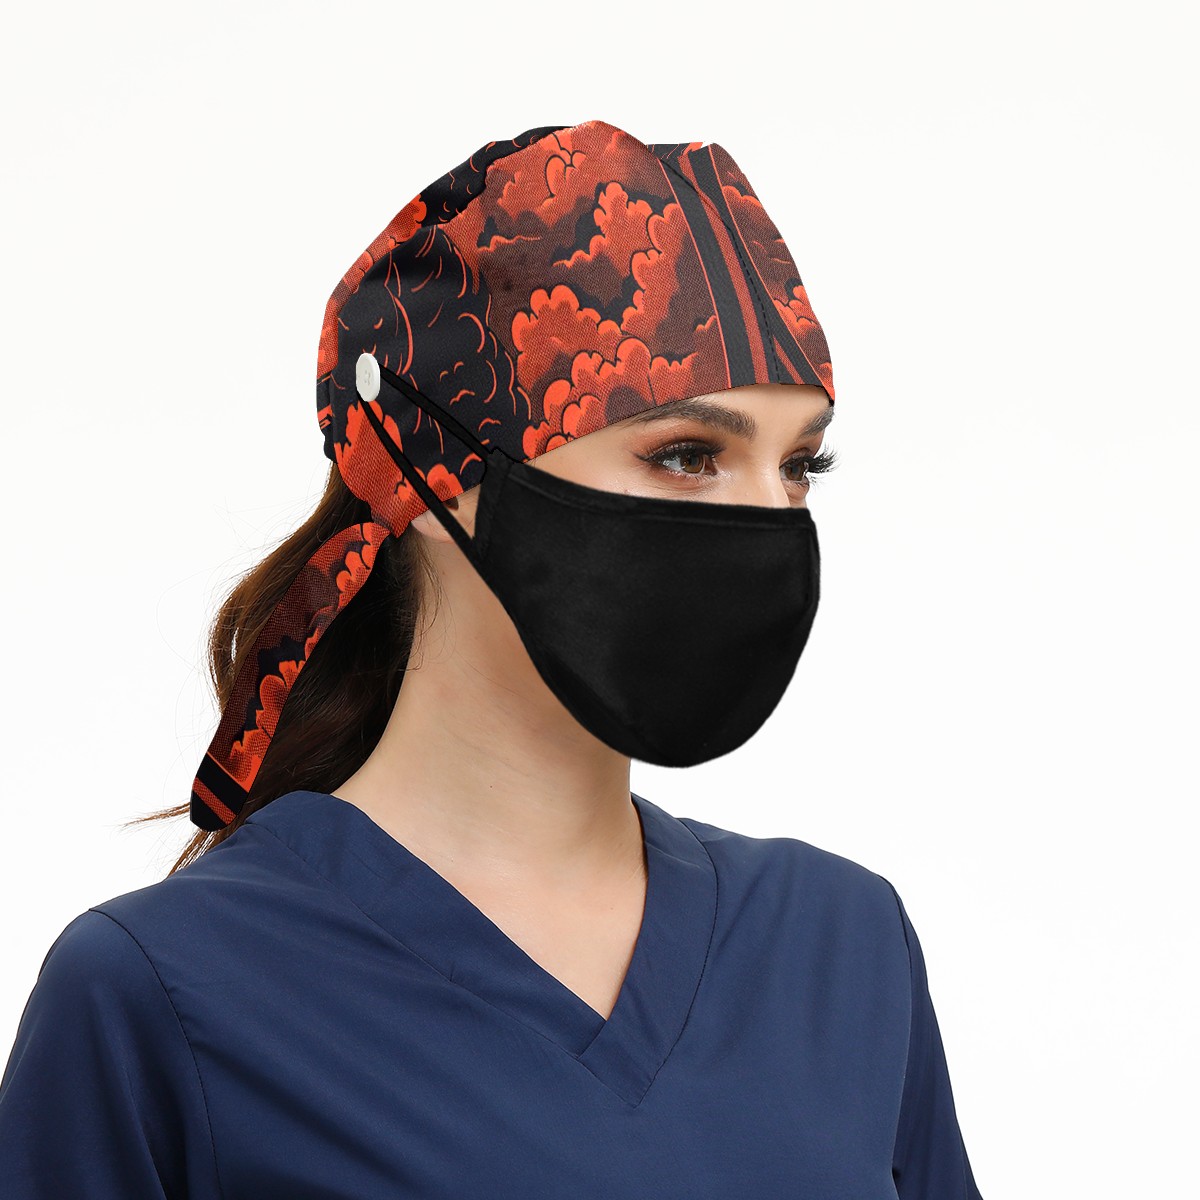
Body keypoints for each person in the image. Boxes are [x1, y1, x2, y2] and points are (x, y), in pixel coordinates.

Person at [0, 118, 984, 1198]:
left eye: (800, 466)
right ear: (434, 477)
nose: (770, 523)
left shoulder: (842, 947)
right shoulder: (161, 996)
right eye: (686, 455)